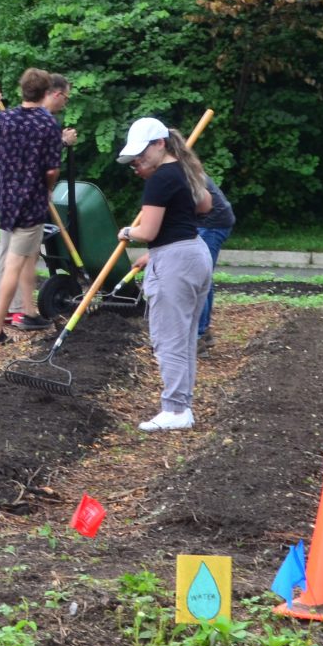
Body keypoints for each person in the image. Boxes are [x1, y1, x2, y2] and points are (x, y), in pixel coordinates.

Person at [115, 117, 214, 430]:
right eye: (135, 159)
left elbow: (150, 230)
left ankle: (174, 411)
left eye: (143, 155)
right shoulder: (184, 169)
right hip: (195, 253)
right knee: (184, 337)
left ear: (160, 144)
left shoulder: (160, 179)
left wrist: (128, 231)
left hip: (174, 261)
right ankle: (181, 405)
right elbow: (205, 205)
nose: (139, 162)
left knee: (168, 339)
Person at [0, 69, 63, 343]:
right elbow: (51, 170)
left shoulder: (3, 119)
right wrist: (49, 187)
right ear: (46, 93)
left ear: (22, 90)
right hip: (31, 204)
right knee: (14, 264)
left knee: (28, 257)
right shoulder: (48, 125)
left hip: (6, 201)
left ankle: (29, 312)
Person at [0, 73, 79, 330]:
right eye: (65, 97)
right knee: (16, 255)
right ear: (53, 93)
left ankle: (16, 311)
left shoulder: (16, 119)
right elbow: (43, 165)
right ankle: (16, 312)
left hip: (11, 195)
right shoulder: (40, 122)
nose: (65, 102)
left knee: (22, 254)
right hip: (25, 198)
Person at [196, 172, 236, 344]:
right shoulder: (179, 168)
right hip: (209, 222)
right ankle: (203, 331)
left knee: (199, 278)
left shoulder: (178, 171)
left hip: (212, 224)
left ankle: (199, 336)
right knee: (203, 277)